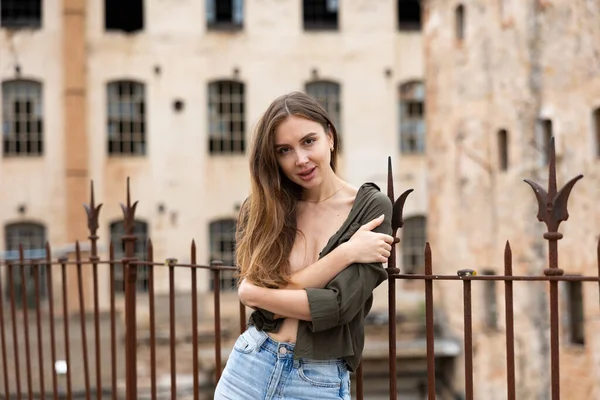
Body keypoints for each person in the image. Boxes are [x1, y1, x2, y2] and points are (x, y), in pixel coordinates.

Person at [213, 92, 394, 399]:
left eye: (309, 141)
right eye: (285, 150)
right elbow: (260, 287)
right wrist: (346, 252)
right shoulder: (265, 208)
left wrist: (258, 294)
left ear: (330, 137)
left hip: (317, 381)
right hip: (250, 364)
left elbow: (336, 307)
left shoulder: (370, 208)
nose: (300, 159)